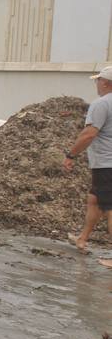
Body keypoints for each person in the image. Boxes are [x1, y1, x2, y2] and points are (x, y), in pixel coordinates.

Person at [64, 66, 112, 255]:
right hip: (107, 164)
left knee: (109, 207)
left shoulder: (102, 104)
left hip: (107, 164)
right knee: (94, 200)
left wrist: (71, 155)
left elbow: (89, 134)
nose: (96, 83)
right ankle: (82, 239)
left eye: (98, 80)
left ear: (106, 83)